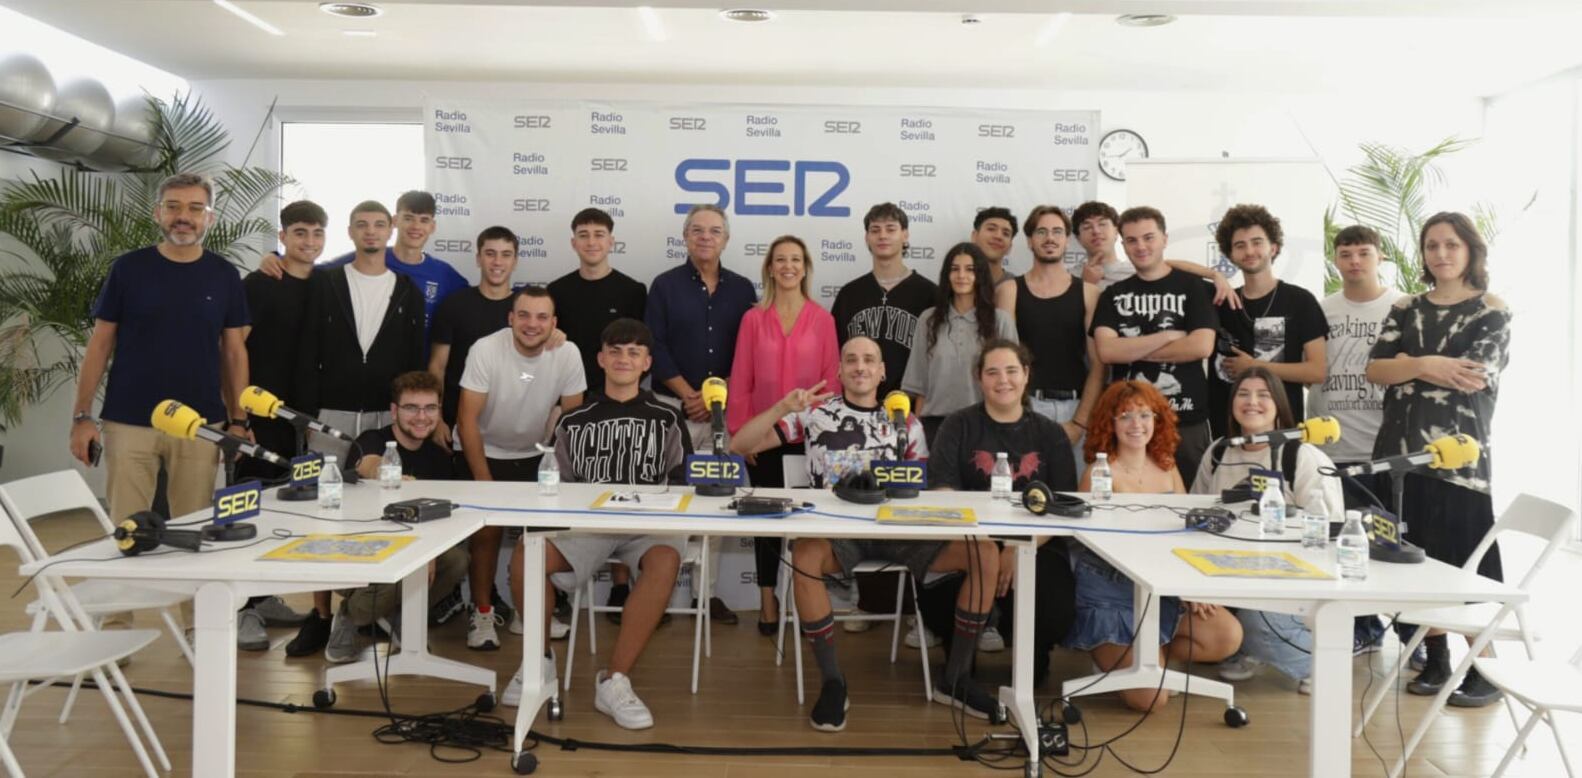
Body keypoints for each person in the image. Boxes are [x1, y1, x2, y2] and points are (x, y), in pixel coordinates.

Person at [730, 336, 1001, 731]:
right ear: (838, 371)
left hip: (900, 531)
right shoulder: (817, 412)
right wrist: (781, 408)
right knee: (804, 555)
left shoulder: (905, 420)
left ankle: (956, 677)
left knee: (986, 553)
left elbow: (922, 486)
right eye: (851, 360)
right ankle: (833, 682)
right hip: (837, 533)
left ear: (882, 371)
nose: (860, 367)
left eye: (869, 360)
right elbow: (739, 444)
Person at [67, 172, 253, 643]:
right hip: (128, 420)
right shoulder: (128, 269)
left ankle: (198, 627)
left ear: (208, 217)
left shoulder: (224, 275)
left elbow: (234, 352)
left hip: (201, 424)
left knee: (195, 526)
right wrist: (81, 416)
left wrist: (238, 420)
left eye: (194, 208)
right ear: (158, 213)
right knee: (128, 525)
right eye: (174, 206)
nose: (183, 217)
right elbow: (99, 344)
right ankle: (114, 629)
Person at [501, 318, 691, 731]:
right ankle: (540, 663)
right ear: (601, 359)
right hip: (585, 525)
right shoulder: (574, 418)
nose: (624, 359)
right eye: (616, 351)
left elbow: (682, 481)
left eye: (634, 352)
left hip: (648, 525)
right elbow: (552, 480)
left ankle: (614, 680)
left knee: (664, 560)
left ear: (647, 364)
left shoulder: (668, 417)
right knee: (526, 554)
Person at [1366, 211, 1511, 708]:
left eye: (1451, 245)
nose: (1441, 254)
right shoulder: (1406, 306)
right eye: (1432, 246)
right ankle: (1437, 659)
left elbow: (1474, 374)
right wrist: (1426, 364)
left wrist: (1408, 367)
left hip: (1458, 458)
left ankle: (1484, 669)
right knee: (1412, 557)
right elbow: (1376, 370)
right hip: (1399, 455)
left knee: (1464, 562)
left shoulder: (1492, 310)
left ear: (1470, 250)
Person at [1067, 380, 1243, 712]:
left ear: (1157, 419)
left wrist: (1191, 588)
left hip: (1161, 589)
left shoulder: (1167, 466)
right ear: (1110, 423)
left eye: (1145, 415)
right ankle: (1118, 661)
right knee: (1151, 701)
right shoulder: (1099, 473)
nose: (1137, 425)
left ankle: (1152, 658)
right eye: (1125, 416)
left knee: (1227, 635)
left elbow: (1186, 533)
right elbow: (1102, 547)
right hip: (1113, 593)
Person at [927, 340, 1079, 687]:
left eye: (1011, 370)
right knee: (942, 594)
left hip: (1035, 544)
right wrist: (987, 551)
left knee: (1054, 603)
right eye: (992, 372)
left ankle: (1034, 651)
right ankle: (959, 655)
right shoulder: (957, 425)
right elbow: (942, 492)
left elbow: (1062, 506)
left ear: (1026, 375)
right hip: (969, 542)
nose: (1003, 380)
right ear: (979, 379)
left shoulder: (1049, 433)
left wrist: (1017, 546)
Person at [1191, 367, 1343, 694]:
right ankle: (1251, 647)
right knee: (1208, 623)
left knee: (1260, 621)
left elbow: (1330, 534)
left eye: (1263, 395)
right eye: (1243, 394)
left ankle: (1316, 660)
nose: (1252, 402)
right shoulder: (1219, 451)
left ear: (1280, 404)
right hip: (1223, 570)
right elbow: (1197, 515)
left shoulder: (1302, 455)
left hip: (1288, 577)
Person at [645, 203, 757, 625]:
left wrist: (717, 393)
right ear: (685, 238)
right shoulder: (664, 285)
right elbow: (653, 345)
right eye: (696, 230)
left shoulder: (743, 289)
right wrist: (689, 392)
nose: (705, 237)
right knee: (670, 499)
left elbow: (749, 352)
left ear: (725, 239)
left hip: (723, 414)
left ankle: (704, 596)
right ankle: (656, 595)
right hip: (672, 408)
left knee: (717, 500)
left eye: (714, 231)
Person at [457, 286, 585, 651]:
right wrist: (485, 484)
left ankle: (528, 614)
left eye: (542, 317)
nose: (533, 324)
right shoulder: (485, 349)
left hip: (537, 454)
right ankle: (482, 613)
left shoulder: (568, 352)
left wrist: (554, 466)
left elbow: (571, 424)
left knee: (540, 539)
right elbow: (467, 419)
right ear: (510, 318)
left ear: (554, 323)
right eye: (524, 315)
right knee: (486, 534)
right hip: (485, 447)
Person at [313, 372, 470, 663]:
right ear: (395, 411)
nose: (421, 417)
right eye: (411, 408)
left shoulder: (438, 457)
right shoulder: (371, 440)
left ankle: (398, 617)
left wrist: (429, 552)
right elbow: (368, 464)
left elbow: (439, 516)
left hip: (411, 546)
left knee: (457, 560)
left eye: (430, 408)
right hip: (361, 550)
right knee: (392, 573)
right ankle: (350, 616)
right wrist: (389, 471)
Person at [725, 235, 839, 634]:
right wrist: (743, 435)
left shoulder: (823, 319)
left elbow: (832, 384)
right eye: (780, 260)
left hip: (810, 438)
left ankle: (808, 598)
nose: (788, 266)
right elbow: (740, 379)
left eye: (795, 259)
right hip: (765, 435)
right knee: (767, 520)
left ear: (805, 267)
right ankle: (767, 599)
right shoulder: (753, 319)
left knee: (811, 523)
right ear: (770, 268)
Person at [230, 201, 326, 649]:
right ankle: (241, 608)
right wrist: (238, 413)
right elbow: (232, 349)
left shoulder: (327, 283)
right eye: (300, 232)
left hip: (303, 419)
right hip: (259, 417)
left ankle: (264, 596)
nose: (309, 242)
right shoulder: (261, 282)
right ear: (283, 236)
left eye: (316, 233)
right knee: (249, 508)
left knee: (292, 510)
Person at [1309, 225, 1405, 654]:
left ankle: (1410, 634)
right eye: (1345, 254)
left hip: (1385, 449)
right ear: (1335, 260)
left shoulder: (1402, 306)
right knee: (1345, 545)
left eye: (1363, 253)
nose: (1354, 262)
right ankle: (1361, 627)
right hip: (1333, 447)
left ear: (1380, 256)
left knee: (1393, 543)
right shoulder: (1321, 309)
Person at [1090, 206, 1218, 479]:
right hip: (1129, 423)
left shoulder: (1193, 287)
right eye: (1132, 240)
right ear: (1123, 244)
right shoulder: (1113, 294)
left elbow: (1201, 347)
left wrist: (1132, 349)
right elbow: (1108, 351)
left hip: (1187, 419)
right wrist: (1168, 336)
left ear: (1164, 239)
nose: (1141, 246)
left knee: (1191, 504)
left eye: (1149, 237)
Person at [294, 199, 425, 457]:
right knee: (325, 490)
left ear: (390, 231)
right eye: (362, 225)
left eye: (379, 225)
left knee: (383, 491)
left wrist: (407, 413)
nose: (370, 231)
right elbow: (306, 352)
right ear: (350, 232)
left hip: (388, 416)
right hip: (330, 413)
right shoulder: (324, 283)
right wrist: (306, 414)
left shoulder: (408, 291)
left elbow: (415, 361)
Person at [259, 190, 468, 339]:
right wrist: (275, 257)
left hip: (418, 379)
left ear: (432, 226)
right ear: (395, 222)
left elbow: (477, 303)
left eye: (423, 220)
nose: (415, 226)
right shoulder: (366, 258)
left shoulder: (445, 274)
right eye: (408, 218)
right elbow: (309, 270)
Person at [994, 204, 1101, 476]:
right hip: (1026, 407)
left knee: (1077, 499)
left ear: (1067, 239)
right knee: (1022, 494)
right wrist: (1021, 414)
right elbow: (1005, 364)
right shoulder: (1009, 291)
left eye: (1057, 231)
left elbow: (1100, 365)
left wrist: (1079, 423)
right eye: (1041, 232)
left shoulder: (1089, 293)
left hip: (1078, 410)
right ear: (1029, 240)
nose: (1050, 238)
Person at [1206, 204, 1327, 439]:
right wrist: (1214, 275)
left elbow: (1317, 371)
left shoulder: (1300, 301)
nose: (1249, 251)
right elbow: (1166, 266)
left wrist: (1255, 367)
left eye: (1257, 242)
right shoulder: (1220, 302)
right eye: (1240, 245)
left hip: (1282, 432)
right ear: (1230, 254)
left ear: (1274, 247)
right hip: (1227, 434)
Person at [901, 242, 1017, 445]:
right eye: (954, 269)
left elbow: (1012, 382)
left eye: (970, 269)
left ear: (980, 275)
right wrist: (918, 434)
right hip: (935, 427)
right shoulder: (928, 320)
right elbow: (919, 384)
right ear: (946, 274)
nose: (961, 275)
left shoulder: (1001, 321)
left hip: (987, 425)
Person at [831, 202, 938, 400]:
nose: (882, 236)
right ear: (867, 238)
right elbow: (834, 356)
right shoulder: (849, 294)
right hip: (857, 407)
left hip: (911, 407)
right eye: (875, 230)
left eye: (891, 229)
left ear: (905, 235)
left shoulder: (930, 294)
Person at [428, 226, 520, 449]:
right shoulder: (454, 304)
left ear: (515, 261)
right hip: (456, 423)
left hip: (511, 426)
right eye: (490, 254)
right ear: (479, 258)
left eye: (506, 255)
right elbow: (437, 367)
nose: (497, 262)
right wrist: (436, 417)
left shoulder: (526, 310)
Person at [548, 208, 648, 394]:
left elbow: (642, 350)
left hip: (617, 397)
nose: (591, 242)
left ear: (611, 242)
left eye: (599, 235)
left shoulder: (633, 291)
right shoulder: (556, 291)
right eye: (583, 235)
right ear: (574, 243)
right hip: (568, 394)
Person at [1072, 200, 1240, 304]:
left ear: (1117, 231)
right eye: (1087, 227)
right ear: (1078, 238)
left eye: (1102, 224)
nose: (1096, 231)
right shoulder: (1069, 277)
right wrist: (1085, 286)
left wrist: (1215, 275)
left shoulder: (1137, 268)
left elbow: (1167, 264)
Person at [970, 206, 1019, 286]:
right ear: (974, 236)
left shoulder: (1018, 287)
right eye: (991, 229)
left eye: (1005, 233)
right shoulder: (957, 282)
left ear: (1010, 247)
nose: (998, 236)